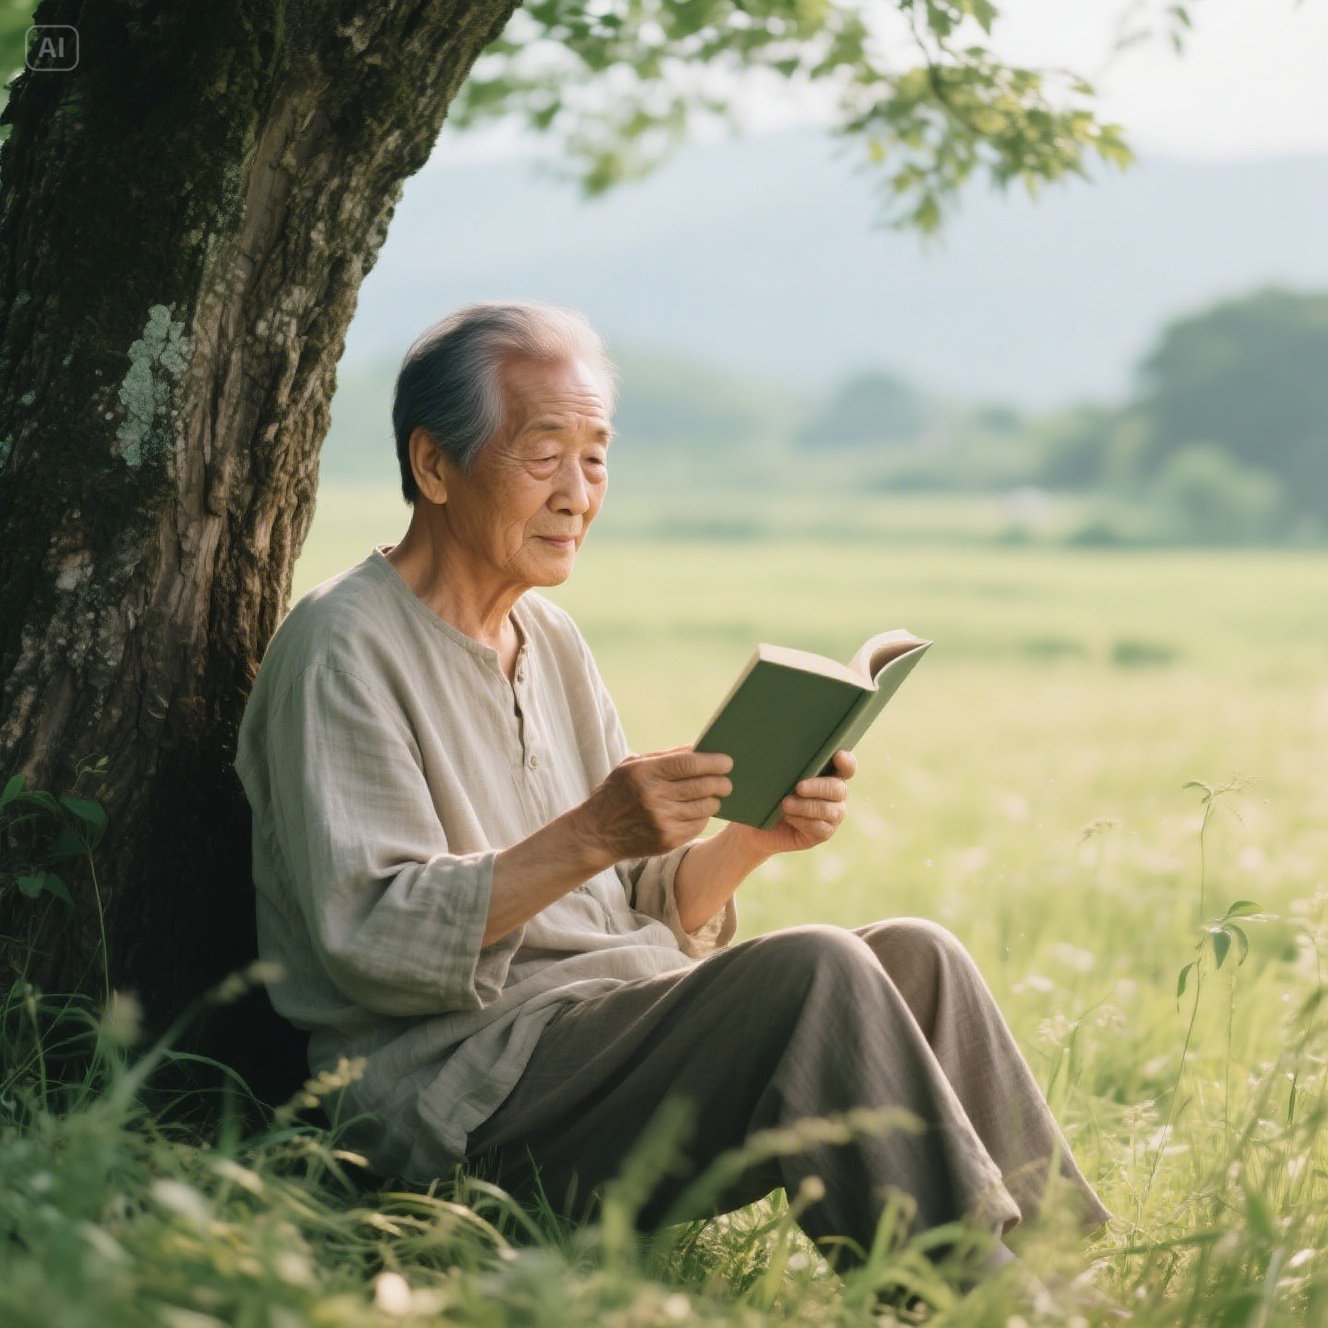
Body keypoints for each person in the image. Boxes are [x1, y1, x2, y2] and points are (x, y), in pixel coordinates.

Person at [233, 300, 1110, 1278]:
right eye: (543, 453)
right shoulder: (340, 644)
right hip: (464, 1091)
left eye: (597, 458)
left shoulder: (551, 640)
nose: (576, 493)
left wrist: (748, 840)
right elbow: (372, 938)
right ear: (434, 464)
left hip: (609, 1025)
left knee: (916, 955)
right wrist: (596, 830)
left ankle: (1066, 1269)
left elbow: (631, 906)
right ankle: (971, 1297)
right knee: (813, 968)